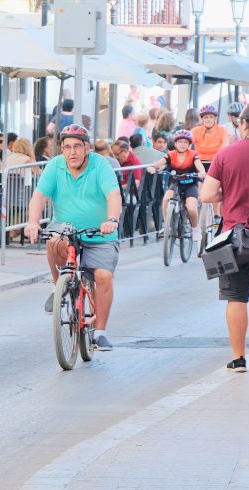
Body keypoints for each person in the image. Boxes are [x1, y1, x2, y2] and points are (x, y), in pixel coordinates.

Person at [25, 124, 122, 351]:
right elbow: (39, 196)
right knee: (54, 240)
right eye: (67, 147)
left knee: (103, 276)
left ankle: (100, 332)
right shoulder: (55, 165)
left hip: (99, 232)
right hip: (65, 227)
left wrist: (112, 220)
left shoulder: (100, 165)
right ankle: (59, 286)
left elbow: (113, 194)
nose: (72, 152)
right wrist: (32, 222)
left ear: (87, 148)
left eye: (77, 146)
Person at [200, 102, 249, 372]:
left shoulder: (226, 154)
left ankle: (239, 359)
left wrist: (228, 194)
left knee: (236, 297)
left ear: (244, 123)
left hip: (235, 238)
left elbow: (207, 195)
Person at [146, 129, 206, 246]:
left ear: (189, 144)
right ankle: (167, 225)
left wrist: (202, 172)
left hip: (190, 184)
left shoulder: (193, 155)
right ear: (175, 143)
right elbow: (159, 163)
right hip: (176, 184)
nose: (182, 144)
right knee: (166, 199)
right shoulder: (171, 154)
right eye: (180, 142)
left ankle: (195, 228)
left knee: (191, 207)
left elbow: (199, 166)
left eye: (185, 142)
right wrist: (153, 167)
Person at [191, 104, 231, 170]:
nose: (208, 119)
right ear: (202, 119)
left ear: (215, 118)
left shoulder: (222, 130)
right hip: (199, 164)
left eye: (211, 117)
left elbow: (225, 149)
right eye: (206, 117)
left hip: (217, 163)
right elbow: (187, 147)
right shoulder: (195, 131)